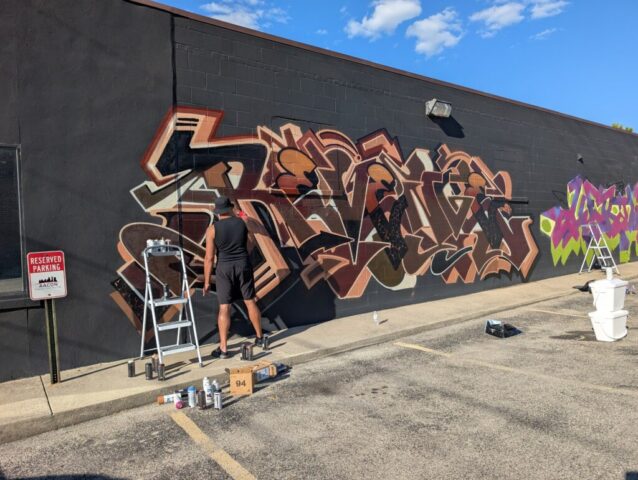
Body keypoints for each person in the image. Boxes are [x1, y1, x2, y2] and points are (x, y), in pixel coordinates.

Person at [202, 195, 265, 358]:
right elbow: (255, 226)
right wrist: (239, 212)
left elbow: (209, 258)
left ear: (217, 212)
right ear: (230, 208)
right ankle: (260, 338)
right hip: (243, 265)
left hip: (224, 269)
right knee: (250, 301)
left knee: (225, 307)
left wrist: (207, 281)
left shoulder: (212, 229)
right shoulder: (242, 222)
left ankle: (223, 349)